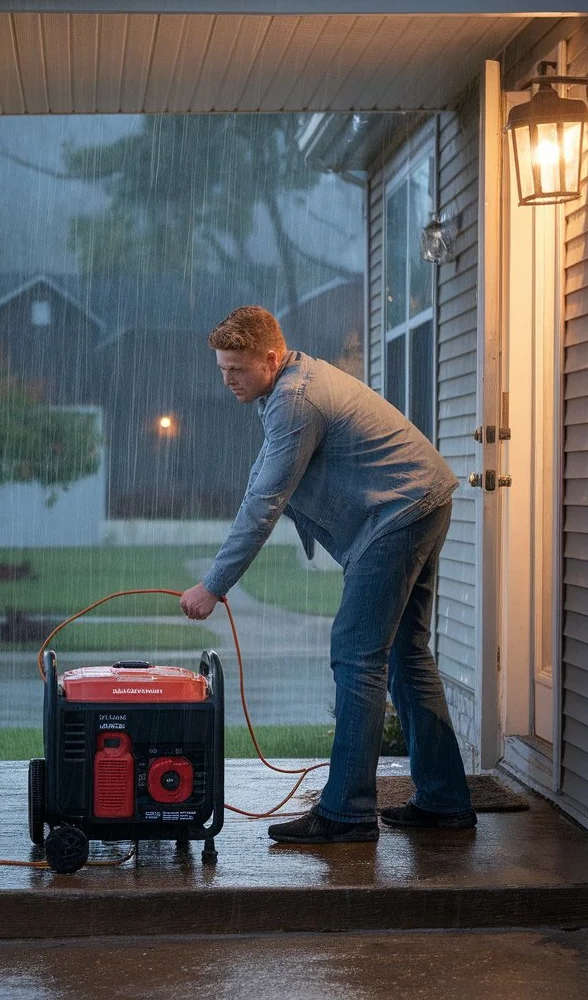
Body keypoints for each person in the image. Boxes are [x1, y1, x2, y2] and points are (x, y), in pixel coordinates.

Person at [179, 305, 476, 843]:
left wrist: (214, 585)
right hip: (424, 498)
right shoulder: (285, 389)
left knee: (357, 654)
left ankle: (346, 814)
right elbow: (263, 481)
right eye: (222, 369)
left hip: (400, 511)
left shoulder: (297, 398)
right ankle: (444, 800)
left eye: (237, 370)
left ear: (270, 358)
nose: (227, 380)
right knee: (405, 654)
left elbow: (264, 503)